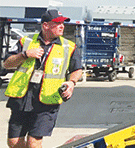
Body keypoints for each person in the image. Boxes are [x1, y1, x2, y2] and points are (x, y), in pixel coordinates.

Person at [3, 10, 83, 148]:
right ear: (45, 25)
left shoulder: (69, 47)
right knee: (14, 142)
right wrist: (25, 54)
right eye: (57, 23)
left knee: (34, 143)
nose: (62, 26)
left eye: (63, 23)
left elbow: (77, 70)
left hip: (47, 101)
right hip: (22, 98)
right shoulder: (26, 41)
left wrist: (71, 82)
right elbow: (7, 63)